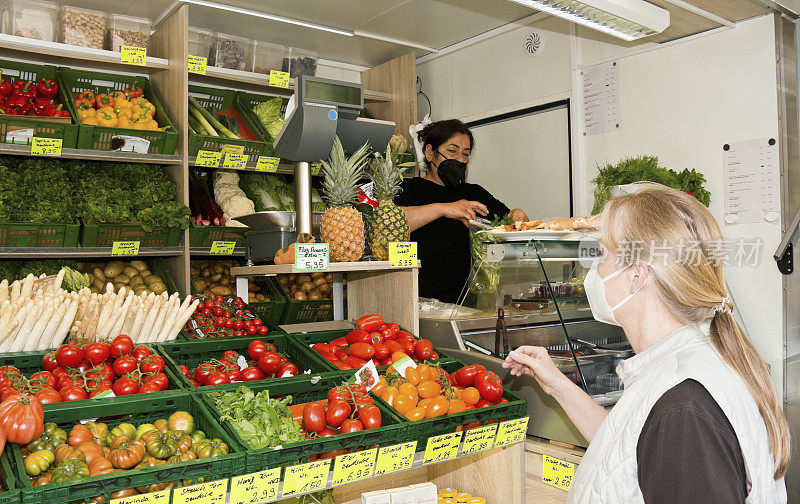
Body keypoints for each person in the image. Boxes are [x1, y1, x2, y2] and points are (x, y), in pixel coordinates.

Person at [503, 184, 789, 503]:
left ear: (636, 275)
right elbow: (629, 455)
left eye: (601, 254)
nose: (592, 272)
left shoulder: (684, 408)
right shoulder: (683, 371)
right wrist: (557, 384)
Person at [396, 119, 527, 303]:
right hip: (417, 303)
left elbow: (510, 222)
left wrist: (518, 215)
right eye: (452, 151)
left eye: (465, 154)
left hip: (466, 304)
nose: (459, 159)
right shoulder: (408, 188)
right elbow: (392, 224)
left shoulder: (473, 193)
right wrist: (443, 208)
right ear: (430, 152)